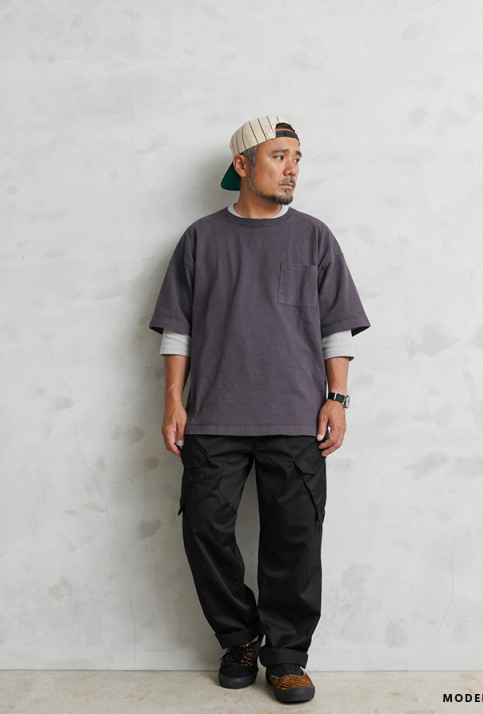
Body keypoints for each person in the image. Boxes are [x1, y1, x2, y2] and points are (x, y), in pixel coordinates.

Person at [149, 115, 370, 704]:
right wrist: (173, 400)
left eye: (297, 157)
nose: (292, 168)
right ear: (243, 165)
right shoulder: (201, 238)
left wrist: (337, 398)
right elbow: (177, 329)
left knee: (294, 540)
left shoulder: (314, 237)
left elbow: (336, 328)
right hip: (214, 416)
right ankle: (240, 638)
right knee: (204, 529)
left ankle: (288, 656)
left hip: (297, 417)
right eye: (279, 156)